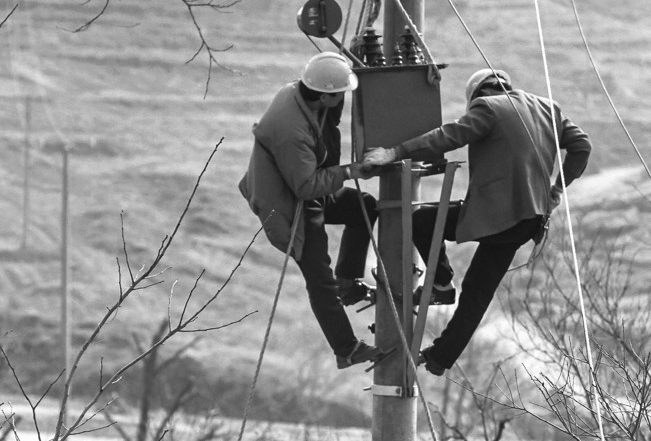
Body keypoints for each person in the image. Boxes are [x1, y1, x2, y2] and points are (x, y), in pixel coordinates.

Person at [363, 67, 591, 374]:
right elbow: (582, 146)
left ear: (476, 96)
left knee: (422, 222)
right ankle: (439, 358)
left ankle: (441, 284)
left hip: (497, 214)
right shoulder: (547, 107)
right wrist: (557, 190)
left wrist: (395, 152)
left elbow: (448, 136)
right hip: (529, 220)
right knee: (477, 294)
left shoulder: (487, 108)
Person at [239, 51, 384, 369]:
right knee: (319, 277)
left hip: (306, 187)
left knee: (363, 207)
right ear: (325, 95)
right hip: (290, 205)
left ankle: (348, 281)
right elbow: (306, 187)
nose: (343, 99)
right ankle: (346, 348)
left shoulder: (304, 95)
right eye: (340, 94)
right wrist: (350, 172)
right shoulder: (293, 131)